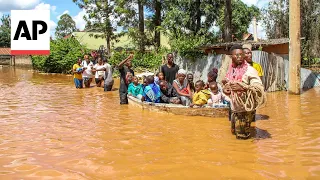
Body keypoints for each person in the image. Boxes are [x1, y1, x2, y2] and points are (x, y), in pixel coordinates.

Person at [222, 45, 266, 139]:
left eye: (241, 55)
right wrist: (225, 89)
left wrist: (243, 88)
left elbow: (259, 88)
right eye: (236, 55)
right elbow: (227, 85)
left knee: (242, 138)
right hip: (234, 108)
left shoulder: (250, 70)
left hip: (244, 110)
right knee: (234, 134)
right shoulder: (231, 69)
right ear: (231, 57)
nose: (239, 57)